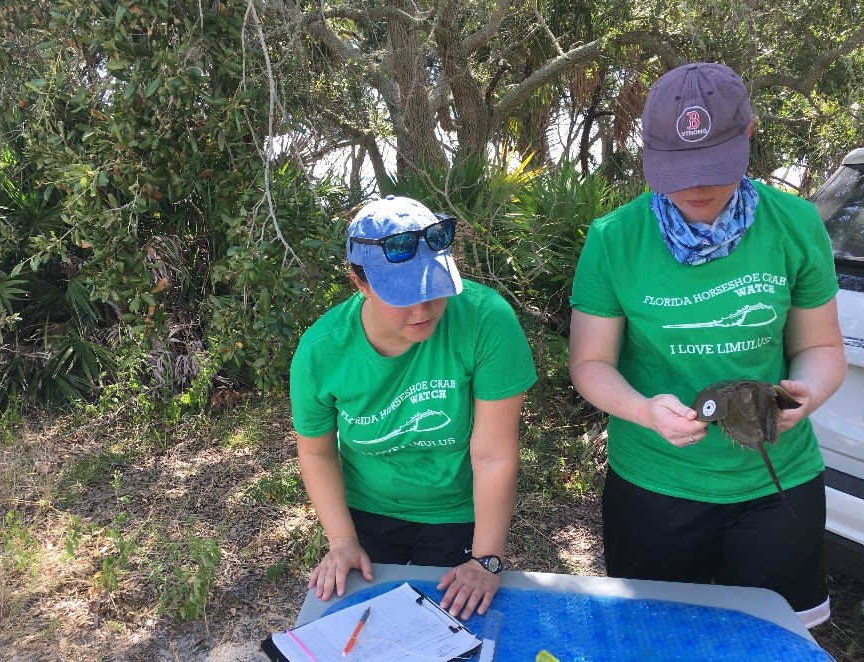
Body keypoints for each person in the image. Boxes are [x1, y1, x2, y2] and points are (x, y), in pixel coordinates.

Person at [568, 63, 846, 627]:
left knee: (768, 639)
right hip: (654, 483)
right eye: (678, 168)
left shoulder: (795, 224)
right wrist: (644, 411)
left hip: (776, 481)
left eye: (712, 168)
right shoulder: (615, 238)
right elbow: (590, 363)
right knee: (657, 639)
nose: (695, 187)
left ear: (746, 137)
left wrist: (806, 394)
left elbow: (822, 348)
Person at [290, 195, 537, 620]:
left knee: (452, 627)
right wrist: (342, 542)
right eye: (403, 296)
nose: (423, 311)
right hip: (365, 506)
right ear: (359, 282)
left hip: (456, 507)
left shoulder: (486, 320)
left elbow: (493, 452)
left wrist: (487, 560)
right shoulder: (321, 352)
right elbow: (316, 452)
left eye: (435, 290)